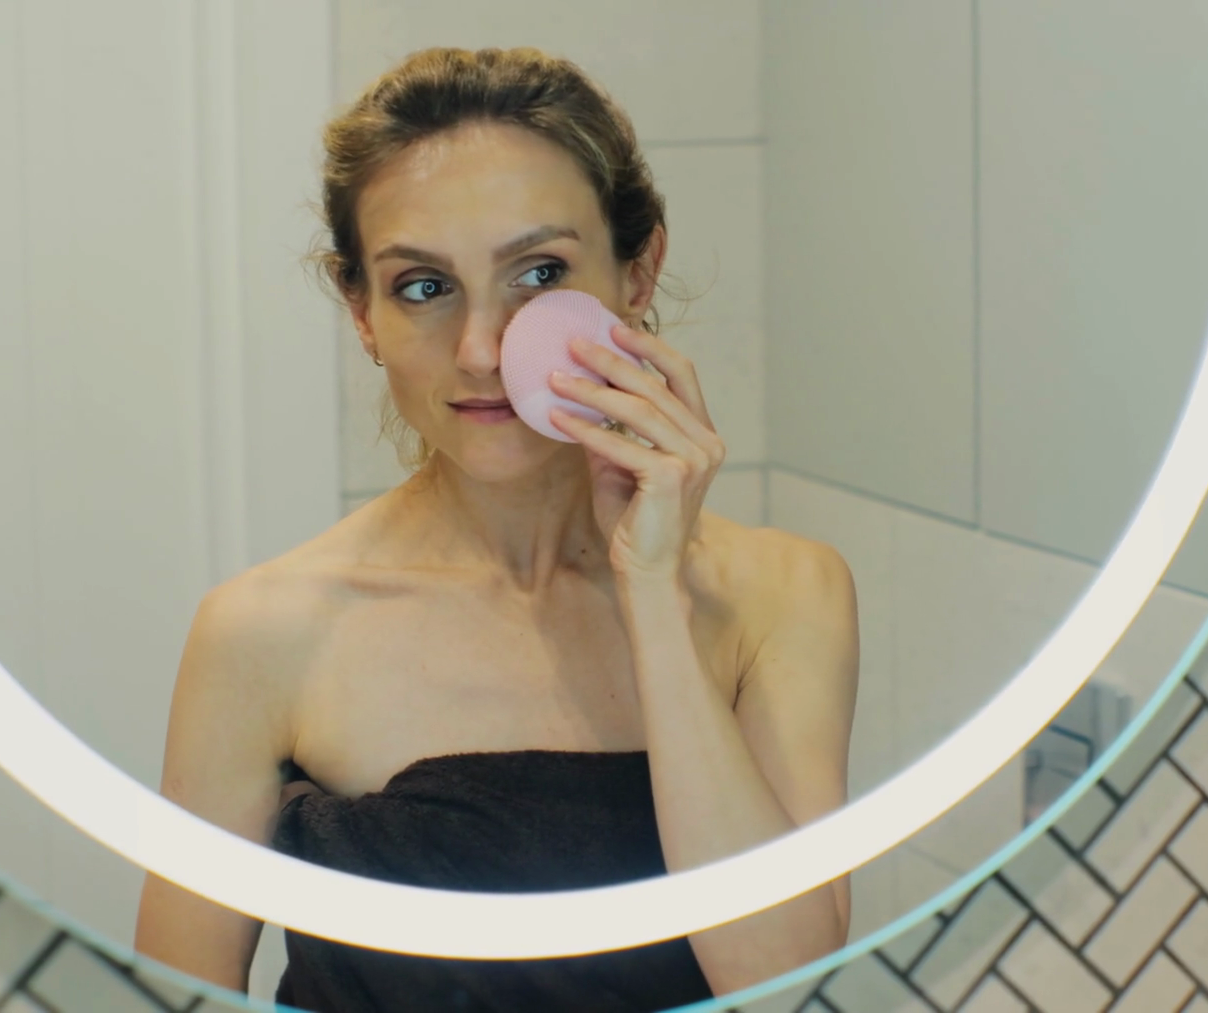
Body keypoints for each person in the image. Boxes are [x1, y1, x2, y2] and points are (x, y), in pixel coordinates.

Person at [133, 45, 859, 1012]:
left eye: (539, 273)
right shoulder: (264, 631)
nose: (481, 350)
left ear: (638, 271)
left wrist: (653, 593)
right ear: (362, 312)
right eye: (422, 287)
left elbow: (780, 986)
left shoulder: (784, 596)